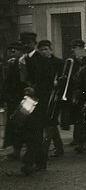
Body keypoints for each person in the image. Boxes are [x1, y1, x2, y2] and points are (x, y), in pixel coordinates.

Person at [19, 40, 62, 176]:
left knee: (37, 131)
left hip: (42, 101)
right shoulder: (24, 59)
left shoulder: (43, 62)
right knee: (26, 128)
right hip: (28, 100)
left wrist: (34, 89)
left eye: (46, 49)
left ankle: (32, 161)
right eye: (41, 49)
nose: (43, 52)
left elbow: (47, 83)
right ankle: (36, 161)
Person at [2, 41, 25, 161]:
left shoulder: (25, 63)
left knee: (22, 126)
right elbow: (7, 84)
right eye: (10, 51)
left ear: (20, 52)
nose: (11, 53)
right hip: (13, 101)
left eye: (14, 51)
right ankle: (16, 151)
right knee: (14, 127)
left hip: (23, 100)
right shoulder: (11, 64)